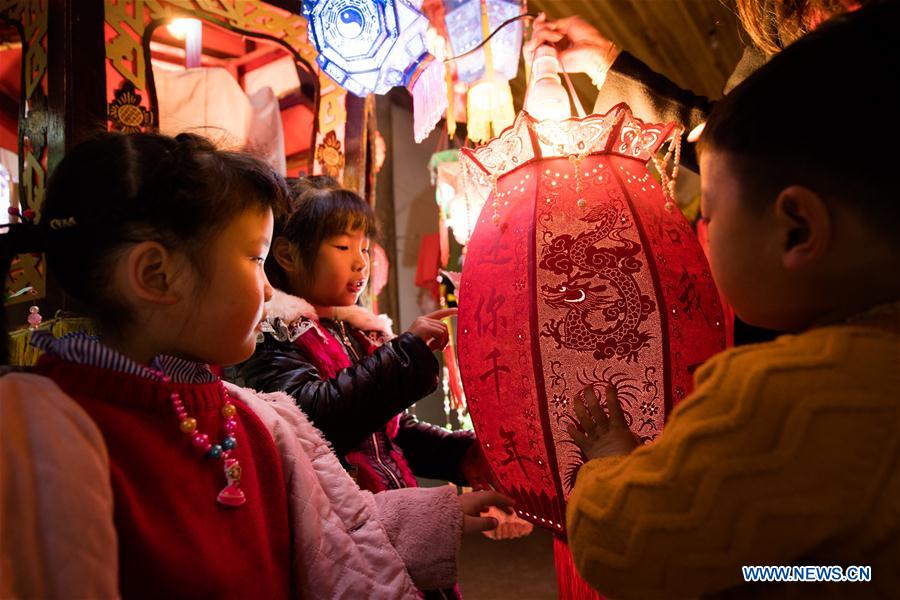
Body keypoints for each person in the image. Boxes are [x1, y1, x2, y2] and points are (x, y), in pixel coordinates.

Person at [1, 132, 512, 598]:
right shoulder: (38, 432)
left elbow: (328, 527)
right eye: (253, 260)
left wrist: (443, 511)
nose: (268, 289)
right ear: (157, 275)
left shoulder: (257, 417)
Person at [565, 3, 900, 597]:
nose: (703, 231)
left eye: (711, 215)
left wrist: (611, 461)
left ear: (797, 228)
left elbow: (622, 543)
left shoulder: (770, 396)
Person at [230, 177, 496, 598]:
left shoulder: (357, 331)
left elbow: (390, 434)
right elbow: (314, 421)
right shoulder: (275, 334)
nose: (360, 263)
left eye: (365, 248)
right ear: (287, 255)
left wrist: (462, 455)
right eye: (342, 247)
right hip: (343, 538)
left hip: (399, 518)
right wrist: (403, 355)